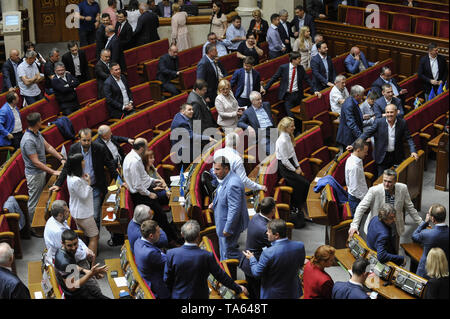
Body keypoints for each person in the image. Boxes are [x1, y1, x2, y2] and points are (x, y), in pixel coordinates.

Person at [51, 128, 117, 231]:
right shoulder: (74, 148)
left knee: (95, 216)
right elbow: (67, 167)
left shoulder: (99, 148)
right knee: (83, 218)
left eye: (89, 140)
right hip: (80, 187)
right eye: (84, 140)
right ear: (79, 139)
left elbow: (110, 164)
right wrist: (58, 184)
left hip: (94, 186)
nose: (86, 143)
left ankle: (95, 238)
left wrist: (119, 180)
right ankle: (87, 240)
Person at [164, 220, 247, 298]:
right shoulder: (206, 256)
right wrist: (238, 288)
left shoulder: (171, 254)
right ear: (198, 236)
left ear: (182, 234)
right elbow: (221, 276)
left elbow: (167, 279)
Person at [123, 138, 180, 244]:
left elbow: (143, 177)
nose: (147, 149)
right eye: (146, 147)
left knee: (163, 213)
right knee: (161, 217)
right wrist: (149, 194)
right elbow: (137, 185)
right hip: (142, 195)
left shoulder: (135, 158)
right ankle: (172, 240)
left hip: (146, 190)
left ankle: (173, 234)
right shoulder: (134, 161)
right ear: (141, 149)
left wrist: (154, 181)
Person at [348, 169, 423, 246]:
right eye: (385, 180)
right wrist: (354, 225)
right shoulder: (374, 190)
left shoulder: (403, 188)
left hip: (394, 226)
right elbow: (361, 207)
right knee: (376, 252)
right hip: (378, 227)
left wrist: (420, 222)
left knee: (392, 248)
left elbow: (410, 207)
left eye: (389, 182)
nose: (386, 184)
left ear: (395, 181)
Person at [21, 112, 64, 237]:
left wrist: (60, 158)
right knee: (34, 201)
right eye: (41, 120)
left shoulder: (36, 133)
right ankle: (34, 228)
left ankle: (40, 223)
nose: (42, 122)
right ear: (37, 123)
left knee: (41, 198)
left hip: (40, 173)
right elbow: (36, 162)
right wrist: (53, 171)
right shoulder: (28, 140)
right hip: (34, 175)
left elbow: (48, 147)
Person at [243, 218, 306, 299]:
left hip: (274, 294)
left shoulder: (268, 253)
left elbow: (256, 273)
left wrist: (252, 259)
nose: (266, 233)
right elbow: (300, 264)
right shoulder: (299, 246)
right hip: (293, 290)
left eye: (269, 232)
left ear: (276, 235)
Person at [264, 51, 321, 136]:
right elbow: (274, 78)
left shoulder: (300, 68)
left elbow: (308, 80)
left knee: (300, 115)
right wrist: (265, 88)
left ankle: (298, 132)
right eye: (298, 59)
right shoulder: (283, 68)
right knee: (290, 116)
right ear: (293, 60)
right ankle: (292, 133)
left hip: (298, 95)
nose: (300, 60)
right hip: (287, 96)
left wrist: (315, 90)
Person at [359, 104, 418, 177]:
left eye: (391, 112)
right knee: (381, 179)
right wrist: (354, 145)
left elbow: (409, 138)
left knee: (398, 177)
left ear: (396, 112)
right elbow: (366, 134)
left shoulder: (402, 123)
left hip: (396, 156)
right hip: (382, 157)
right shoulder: (379, 122)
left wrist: (413, 151)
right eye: (387, 112)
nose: (389, 114)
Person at [211, 156, 249, 261]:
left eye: (217, 169)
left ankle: (250, 262)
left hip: (228, 226)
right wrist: (214, 203)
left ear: (226, 169)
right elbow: (221, 191)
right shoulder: (226, 177)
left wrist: (228, 228)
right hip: (222, 222)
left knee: (229, 252)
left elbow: (234, 209)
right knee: (225, 250)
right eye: (214, 169)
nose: (214, 172)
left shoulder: (233, 184)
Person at [54, 229, 109, 299]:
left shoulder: (63, 250)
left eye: (75, 244)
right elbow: (72, 287)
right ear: (62, 243)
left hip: (77, 285)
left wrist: (87, 271)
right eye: (69, 245)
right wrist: (90, 274)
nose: (74, 248)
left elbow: (74, 266)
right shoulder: (64, 262)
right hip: (75, 294)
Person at [239, 197, 274, 298]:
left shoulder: (256, 217)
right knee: (258, 294)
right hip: (254, 265)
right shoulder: (264, 229)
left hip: (248, 261)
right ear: (273, 210)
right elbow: (276, 246)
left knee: (252, 291)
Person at [65, 153, 99, 256]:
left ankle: (85, 261)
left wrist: (84, 180)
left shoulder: (71, 176)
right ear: (78, 164)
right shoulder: (76, 181)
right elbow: (84, 195)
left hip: (78, 212)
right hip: (83, 214)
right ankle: (91, 263)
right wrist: (88, 183)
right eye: (82, 161)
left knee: (84, 236)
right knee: (94, 236)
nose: (84, 162)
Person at [276, 117, 310, 216]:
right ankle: (298, 207)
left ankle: (302, 205)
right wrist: (294, 170)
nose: (294, 128)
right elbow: (285, 160)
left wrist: (298, 166)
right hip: (285, 167)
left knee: (304, 183)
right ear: (285, 128)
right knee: (303, 184)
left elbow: (293, 153)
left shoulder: (288, 135)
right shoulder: (281, 140)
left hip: (291, 164)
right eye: (292, 126)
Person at [43, 200, 94, 266]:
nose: (69, 212)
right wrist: (86, 254)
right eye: (66, 211)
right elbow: (70, 251)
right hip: (64, 261)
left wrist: (86, 249)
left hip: (70, 252)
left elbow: (74, 238)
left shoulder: (56, 219)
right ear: (60, 215)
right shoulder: (57, 231)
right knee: (90, 269)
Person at [134, 220, 170, 298]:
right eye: (158, 232)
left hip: (146, 274)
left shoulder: (138, 241)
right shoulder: (150, 253)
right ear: (151, 236)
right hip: (156, 284)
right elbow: (169, 262)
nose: (160, 233)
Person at [412, 204, 449, 278]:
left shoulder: (426, 233)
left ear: (432, 218)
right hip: (444, 271)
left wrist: (425, 222)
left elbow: (414, 236)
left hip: (426, 272)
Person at [237, 91, 276, 156]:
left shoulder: (266, 105)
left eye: (261, 99)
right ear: (252, 101)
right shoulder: (248, 112)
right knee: (274, 153)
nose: (260, 101)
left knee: (285, 148)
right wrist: (248, 127)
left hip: (273, 130)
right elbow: (239, 122)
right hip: (262, 135)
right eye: (258, 100)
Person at [197, 43, 227, 107]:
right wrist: (205, 96)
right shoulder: (203, 63)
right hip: (209, 94)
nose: (217, 52)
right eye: (215, 50)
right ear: (210, 52)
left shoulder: (213, 60)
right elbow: (200, 81)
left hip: (215, 90)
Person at [345, 138, 369, 215]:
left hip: (360, 195)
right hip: (356, 199)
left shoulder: (356, 159)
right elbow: (354, 189)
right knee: (357, 222)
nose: (366, 154)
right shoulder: (354, 167)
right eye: (365, 152)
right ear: (358, 150)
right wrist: (365, 199)